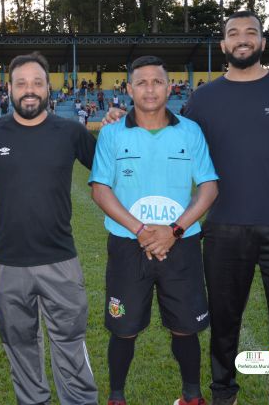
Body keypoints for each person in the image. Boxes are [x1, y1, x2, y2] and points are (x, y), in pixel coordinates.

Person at [103, 11, 269, 405]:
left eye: (251, 32)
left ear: (263, 43)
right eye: (234, 33)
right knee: (224, 321)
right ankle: (222, 394)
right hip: (224, 229)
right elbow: (168, 128)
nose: (243, 39)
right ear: (224, 45)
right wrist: (122, 115)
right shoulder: (205, 97)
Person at [0, 52, 99, 405]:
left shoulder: (71, 132)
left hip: (60, 261)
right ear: (9, 88)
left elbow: (105, 168)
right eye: (21, 83)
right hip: (9, 265)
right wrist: (0, 181)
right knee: (19, 345)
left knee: (70, 342)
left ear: (49, 87)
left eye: (37, 83)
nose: (29, 90)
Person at [90, 56, 218, 405]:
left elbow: (208, 187)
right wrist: (144, 230)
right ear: (129, 89)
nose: (150, 88)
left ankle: (192, 396)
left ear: (169, 86)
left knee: (185, 326)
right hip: (128, 246)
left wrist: (173, 230)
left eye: (157, 81)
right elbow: (100, 189)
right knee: (124, 329)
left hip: (182, 245)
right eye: (142, 82)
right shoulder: (112, 132)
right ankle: (117, 397)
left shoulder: (190, 131)